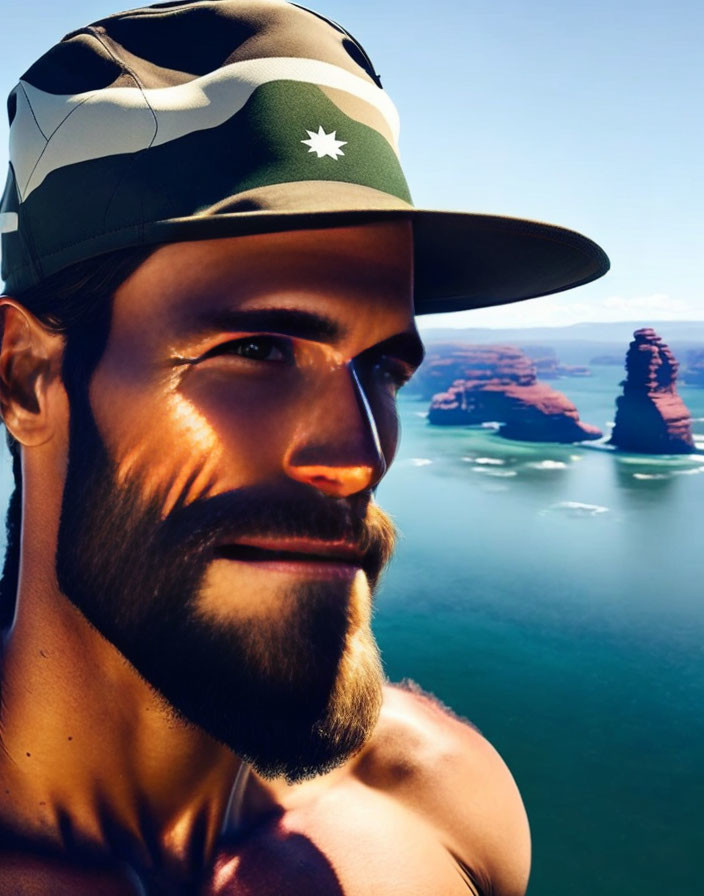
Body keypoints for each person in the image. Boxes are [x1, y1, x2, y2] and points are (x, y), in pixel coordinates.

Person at [0, 1, 609, 893]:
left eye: (383, 370)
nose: (360, 459)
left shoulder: (445, 805)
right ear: (25, 379)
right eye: (257, 351)